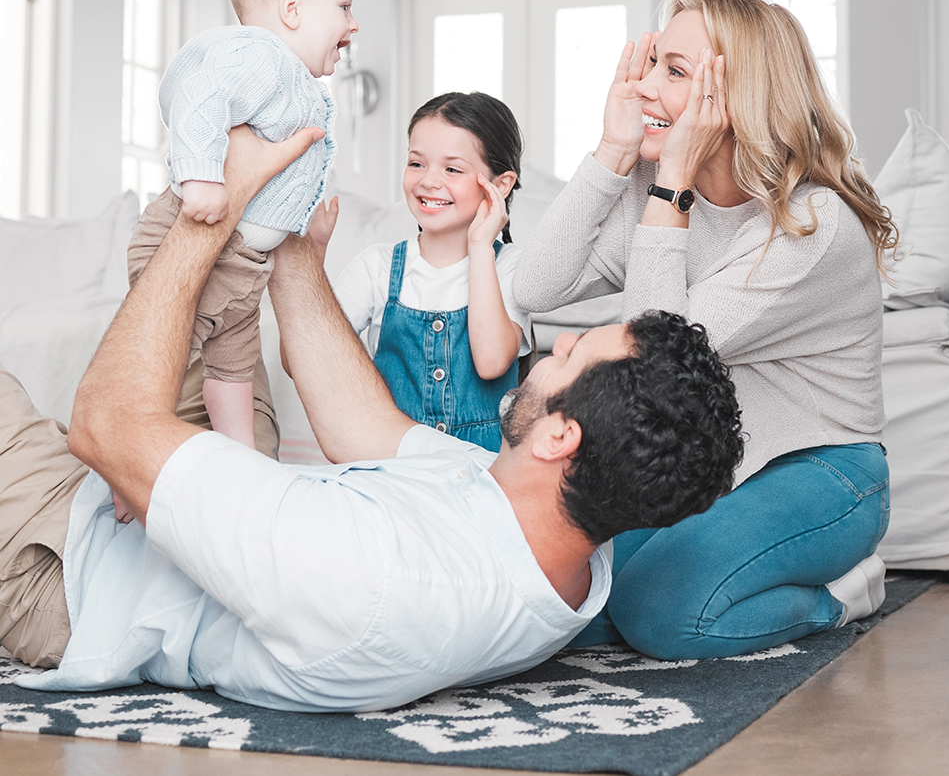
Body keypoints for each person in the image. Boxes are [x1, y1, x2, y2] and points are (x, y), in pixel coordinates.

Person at [1, 124, 743, 713]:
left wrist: (223, 195)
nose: (564, 339)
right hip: (164, 521)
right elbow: (364, 426)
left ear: (560, 436)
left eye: (577, 353)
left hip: (72, 570)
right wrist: (290, 238)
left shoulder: (372, 573)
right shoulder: (558, 545)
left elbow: (106, 424)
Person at [513, 0, 897, 660]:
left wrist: (672, 183)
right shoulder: (651, 182)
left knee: (659, 616)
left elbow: (649, 367)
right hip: (713, 467)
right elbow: (534, 286)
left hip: (823, 471)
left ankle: (844, 596)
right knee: (568, 598)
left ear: (739, 97)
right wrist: (611, 150)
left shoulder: (812, 226)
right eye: (654, 62)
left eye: (677, 72)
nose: (646, 89)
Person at [124, 0, 356, 476]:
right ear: (293, 7)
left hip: (241, 264)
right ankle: (125, 461)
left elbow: (275, 185)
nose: (353, 25)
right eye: (344, 6)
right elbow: (200, 92)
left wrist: (304, 230)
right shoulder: (261, 56)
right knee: (166, 358)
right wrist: (201, 175)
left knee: (232, 368)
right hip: (194, 244)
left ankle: (241, 464)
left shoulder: (293, 81)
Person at [329, 92, 531, 450]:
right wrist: (311, 254)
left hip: (482, 473)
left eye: (452, 169)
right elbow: (308, 358)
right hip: (392, 464)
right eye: (417, 163)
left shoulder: (510, 266)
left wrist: (481, 245)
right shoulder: (376, 268)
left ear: (500, 185)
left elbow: (491, 362)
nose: (428, 181)